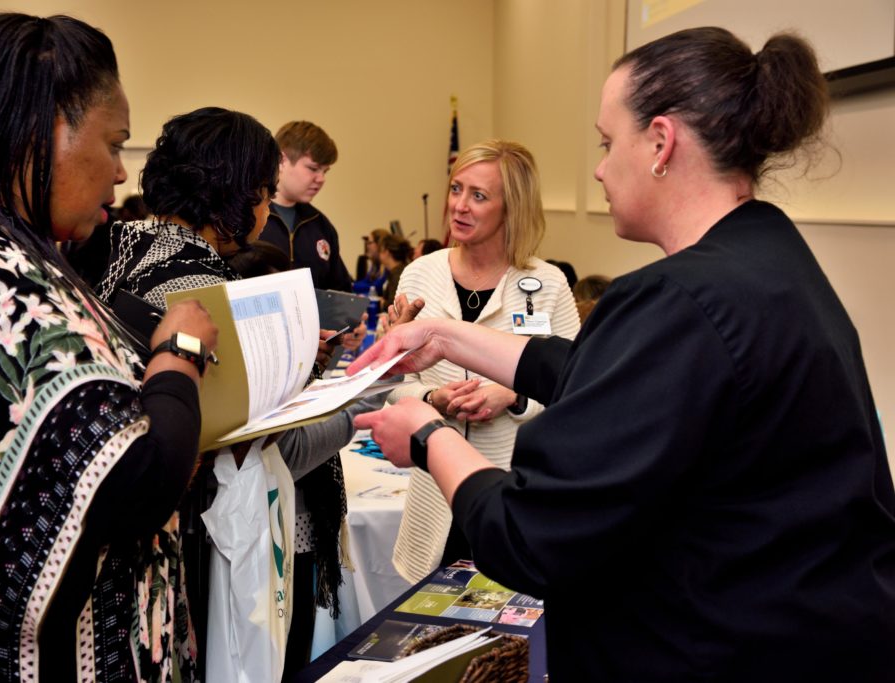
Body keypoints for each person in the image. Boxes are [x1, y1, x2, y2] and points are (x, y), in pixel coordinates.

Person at [350, 27, 895, 680]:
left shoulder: (679, 298)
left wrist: (430, 434)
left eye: (609, 144)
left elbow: (530, 536)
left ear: (661, 142)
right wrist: (443, 335)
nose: (601, 169)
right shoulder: (766, 258)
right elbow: (611, 380)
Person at [0, 13, 217, 681]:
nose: (121, 173)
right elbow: (133, 480)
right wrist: (179, 354)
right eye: (114, 144)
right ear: (44, 131)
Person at [94, 107, 376, 679]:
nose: (269, 208)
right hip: (196, 548)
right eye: (264, 192)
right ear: (234, 194)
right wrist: (365, 404)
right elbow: (268, 452)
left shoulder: (117, 249)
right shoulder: (212, 297)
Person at [384, 139, 580, 583]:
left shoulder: (546, 284)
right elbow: (391, 381)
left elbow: (578, 389)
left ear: (511, 207)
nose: (460, 207)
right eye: (456, 189)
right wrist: (432, 396)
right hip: (435, 491)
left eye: (479, 196)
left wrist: (513, 396)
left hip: (513, 489)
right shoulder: (419, 275)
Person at [261, 120, 353, 291]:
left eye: (325, 171)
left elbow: (340, 291)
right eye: (313, 168)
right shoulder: (247, 219)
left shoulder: (321, 225)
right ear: (281, 161)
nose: (321, 179)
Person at [376, 232, 412, 308]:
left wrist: (382, 303)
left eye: (380, 250)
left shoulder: (398, 274)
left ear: (387, 252)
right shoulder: (400, 270)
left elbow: (393, 304)